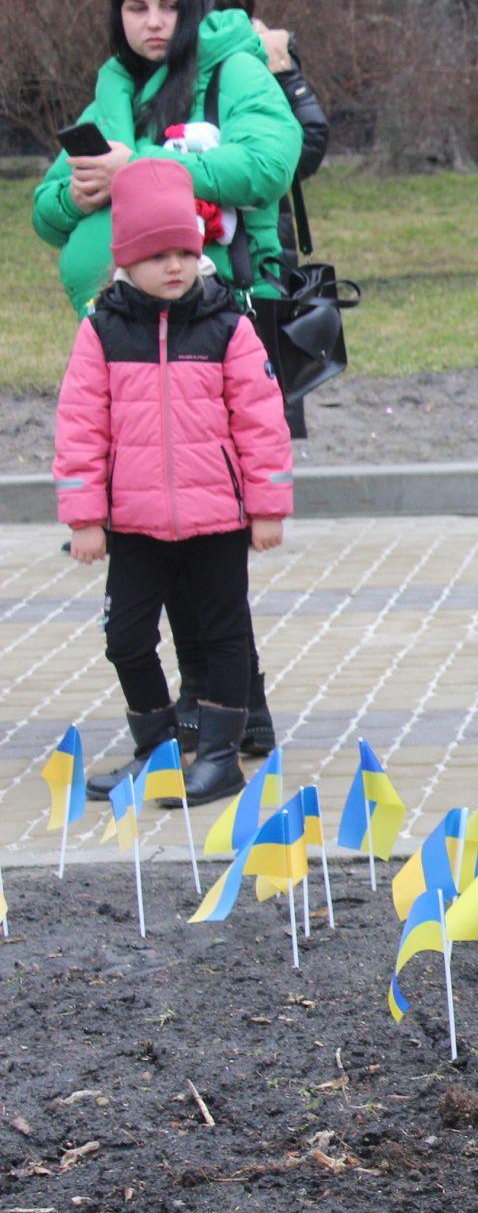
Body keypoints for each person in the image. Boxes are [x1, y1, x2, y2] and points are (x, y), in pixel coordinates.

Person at [53, 160, 293, 807]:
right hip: (132, 523)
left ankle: (217, 755)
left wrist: (267, 505)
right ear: (128, 260)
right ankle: (157, 750)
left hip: (217, 518)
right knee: (125, 636)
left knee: (223, 635)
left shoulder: (226, 325)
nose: (175, 266)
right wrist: (84, 517)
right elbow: (80, 425)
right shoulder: (102, 330)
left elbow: (261, 421)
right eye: (158, 255)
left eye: (185, 251)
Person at [171, 0, 331, 759]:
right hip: (183, 304)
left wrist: (284, 69)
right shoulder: (158, 74)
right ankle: (229, 703)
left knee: (214, 527)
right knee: (194, 530)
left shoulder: (246, 68)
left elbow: (299, 150)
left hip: (242, 303)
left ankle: (225, 703)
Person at [31, 0, 303, 319]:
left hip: (219, 322)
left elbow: (266, 167)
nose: (154, 22)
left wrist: (135, 171)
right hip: (119, 330)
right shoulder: (116, 93)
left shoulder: (235, 71)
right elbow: (45, 214)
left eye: (170, 6)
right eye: (137, 8)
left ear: (192, 6)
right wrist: (77, 198)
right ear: (118, 15)